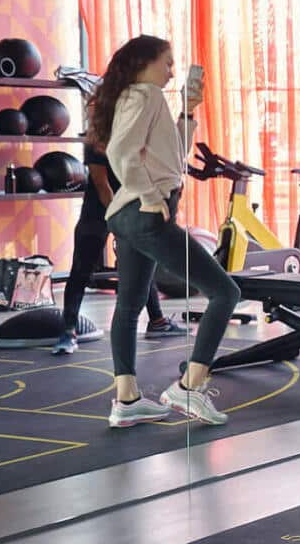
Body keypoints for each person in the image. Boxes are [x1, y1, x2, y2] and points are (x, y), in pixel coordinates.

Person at [88, 35, 241, 428]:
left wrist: (188, 114)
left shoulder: (133, 97)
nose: (173, 70)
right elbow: (121, 155)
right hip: (145, 212)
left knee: (129, 305)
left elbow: (170, 156)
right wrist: (152, 199)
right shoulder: (147, 96)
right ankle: (189, 387)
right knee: (226, 292)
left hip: (127, 215)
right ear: (144, 62)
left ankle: (127, 400)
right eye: (167, 62)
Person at [52, 142, 186, 355]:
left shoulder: (136, 132)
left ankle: (157, 321)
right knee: (81, 270)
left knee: (142, 263)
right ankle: (68, 332)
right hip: (97, 213)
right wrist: (121, 217)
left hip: (132, 208)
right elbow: (101, 182)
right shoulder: (97, 140)